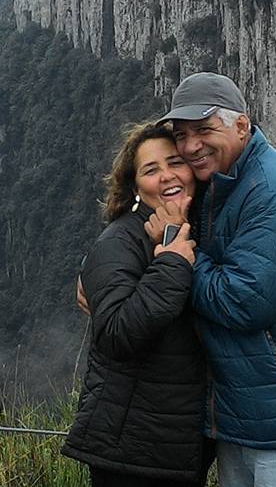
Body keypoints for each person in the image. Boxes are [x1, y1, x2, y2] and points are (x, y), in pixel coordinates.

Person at [152, 72, 276, 486]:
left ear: (241, 126)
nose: (190, 146)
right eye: (182, 135)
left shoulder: (272, 192)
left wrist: (176, 253)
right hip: (242, 415)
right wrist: (100, 275)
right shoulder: (219, 185)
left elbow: (242, 303)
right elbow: (146, 211)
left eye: (204, 130)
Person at [62, 122, 214, 486]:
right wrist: (172, 262)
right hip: (132, 451)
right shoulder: (120, 242)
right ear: (134, 187)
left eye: (175, 162)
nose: (167, 176)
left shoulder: (202, 230)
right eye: (150, 170)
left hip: (180, 446)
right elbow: (117, 333)